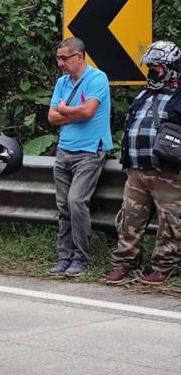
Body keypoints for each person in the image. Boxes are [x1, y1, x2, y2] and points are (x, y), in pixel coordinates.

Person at [105, 40, 181, 285]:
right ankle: (125, 263)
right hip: (137, 170)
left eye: (156, 67)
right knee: (129, 219)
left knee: (171, 222)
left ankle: (164, 266)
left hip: (168, 171)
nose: (151, 71)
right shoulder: (143, 94)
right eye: (149, 67)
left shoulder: (179, 95)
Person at [46, 37, 112, 277]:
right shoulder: (62, 82)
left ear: (80, 57)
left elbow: (88, 112)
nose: (61, 63)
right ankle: (64, 256)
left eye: (65, 58)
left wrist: (64, 110)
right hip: (65, 149)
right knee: (64, 206)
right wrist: (71, 113)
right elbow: (52, 118)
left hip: (90, 150)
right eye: (58, 58)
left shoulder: (97, 78)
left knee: (76, 202)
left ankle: (81, 257)